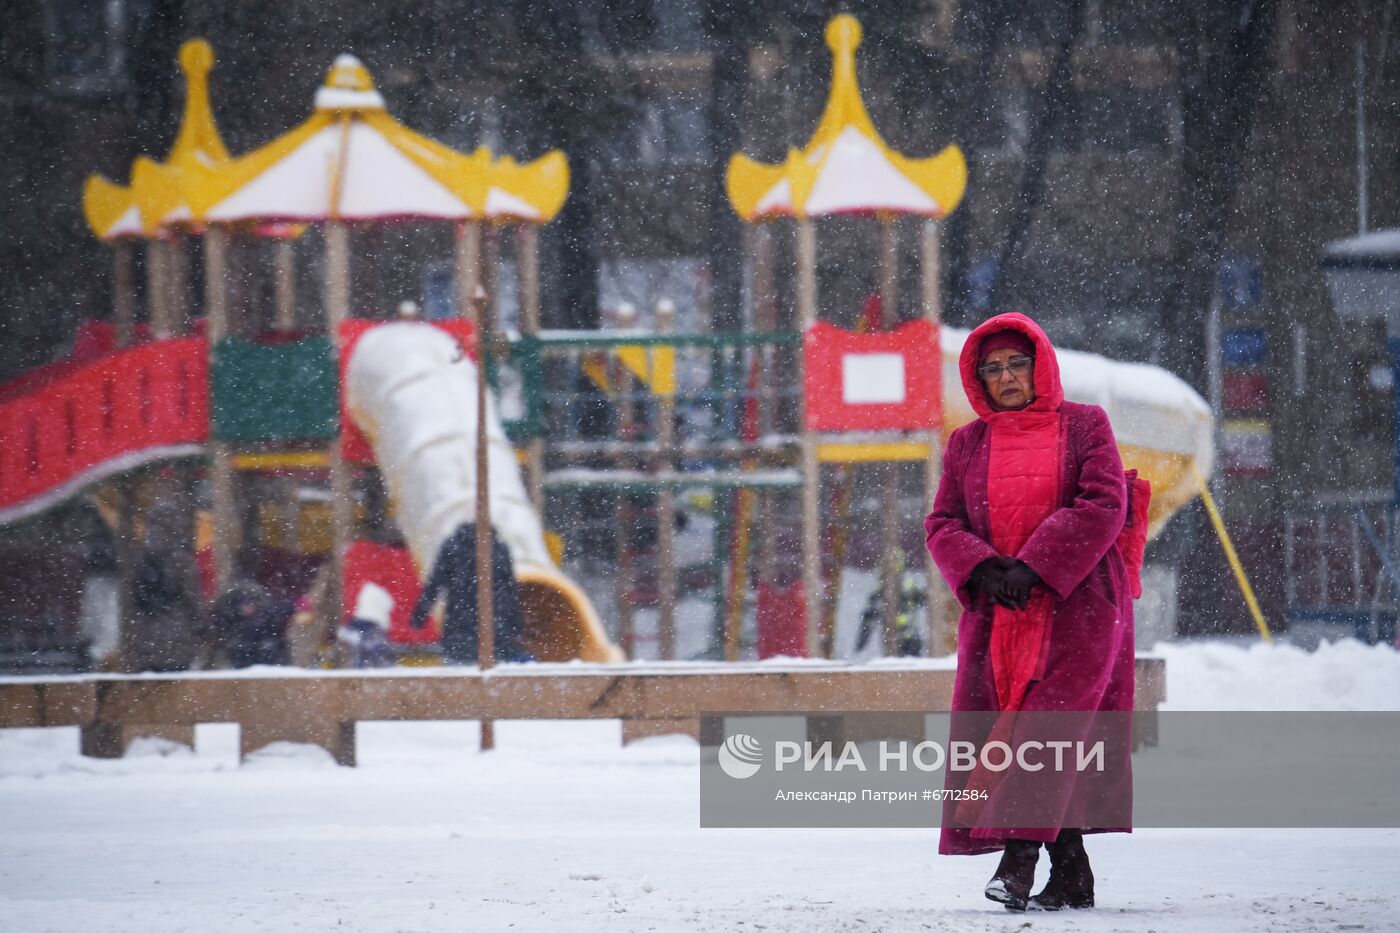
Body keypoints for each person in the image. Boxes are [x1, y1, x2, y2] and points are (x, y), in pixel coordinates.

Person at [924, 312, 1137, 912]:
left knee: (1047, 732)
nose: (1007, 377)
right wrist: (986, 568)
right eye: (992, 369)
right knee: (1010, 732)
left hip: (1079, 606)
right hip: (999, 614)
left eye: (1017, 363)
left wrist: (1039, 564)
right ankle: (1071, 871)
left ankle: (1016, 864)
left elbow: (1104, 502)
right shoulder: (966, 443)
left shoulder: (1086, 426)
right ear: (977, 379)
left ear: (1039, 364)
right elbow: (942, 523)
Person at [408, 522, 534, 664]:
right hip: (494, 630)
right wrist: (516, 626)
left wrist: (417, 620)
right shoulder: (498, 549)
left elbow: (435, 585)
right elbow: (510, 591)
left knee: (458, 679)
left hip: (458, 628)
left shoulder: (453, 547)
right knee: (492, 679)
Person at [338, 581, 396, 668]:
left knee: (363, 649)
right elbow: (390, 605)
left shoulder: (365, 589)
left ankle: (361, 665)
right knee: (374, 648)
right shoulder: (381, 593)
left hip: (360, 618)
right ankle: (377, 665)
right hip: (374, 621)